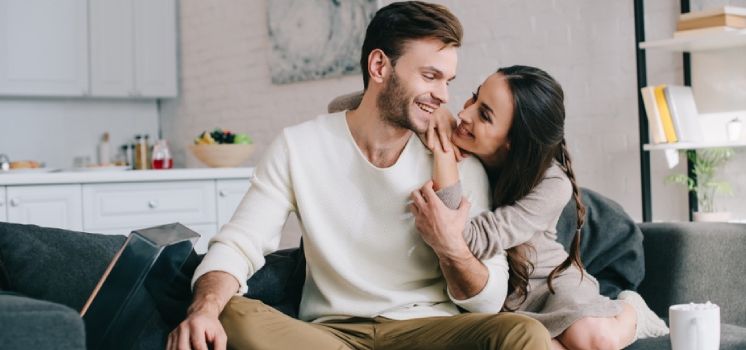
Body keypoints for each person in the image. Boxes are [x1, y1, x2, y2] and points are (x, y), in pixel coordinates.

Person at [167, 3, 551, 350]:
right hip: (330, 335)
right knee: (230, 312)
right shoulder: (299, 146)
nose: (443, 97)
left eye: (447, 82)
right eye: (430, 76)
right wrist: (203, 310)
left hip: (426, 331)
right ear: (380, 66)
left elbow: (488, 300)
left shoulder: (455, 159)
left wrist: (451, 246)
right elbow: (239, 243)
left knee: (524, 334)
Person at [410, 65, 670, 350]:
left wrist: (444, 152)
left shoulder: (553, 182)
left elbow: (464, 239)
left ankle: (632, 311)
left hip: (550, 284)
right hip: (501, 297)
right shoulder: (469, 146)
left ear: (513, 141)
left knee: (596, 340)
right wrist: (438, 113)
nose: (464, 113)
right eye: (474, 98)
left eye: (483, 114)